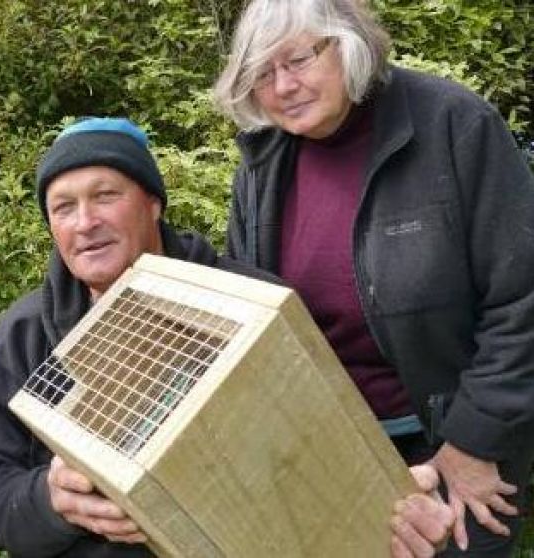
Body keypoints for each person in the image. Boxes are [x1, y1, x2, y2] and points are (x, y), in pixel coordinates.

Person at [0, 117, 453, 557]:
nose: (85, 222)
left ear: (152, 204)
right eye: (63, 207)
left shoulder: (252, 301)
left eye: (105, 195)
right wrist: (50, 501)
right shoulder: (23, 337)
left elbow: (334, 450)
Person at [213, 1, 534, 556]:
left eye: (297, 60)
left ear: (349, 43)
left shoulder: (453, 125)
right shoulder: (264, 164)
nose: (283, 86)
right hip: (323, 456)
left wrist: (473, 445)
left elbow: (522, 300)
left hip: (451, 452)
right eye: (262, 72)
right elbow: (254, 314)